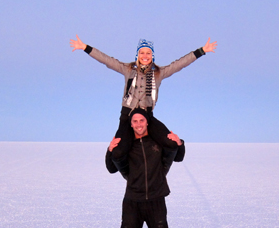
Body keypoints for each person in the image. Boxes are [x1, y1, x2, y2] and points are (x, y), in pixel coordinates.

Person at [70, 35, 215, 173]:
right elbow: (107, 60)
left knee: (171, 142)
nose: (145, 56)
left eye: (148, 53)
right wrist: (85, 47)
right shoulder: (127, 69)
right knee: (118, 152)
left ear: (152, 55)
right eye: (142, 53)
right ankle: (131, 176)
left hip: (147, 116)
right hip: (127, 117)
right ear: (137, 55)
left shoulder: (159, 72)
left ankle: (159, 173)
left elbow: (180, 64)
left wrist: (201, 51)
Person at [105, 108, 185, 228]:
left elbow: (179, 156)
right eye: (135, 121)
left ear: (147, 121)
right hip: (133, 200)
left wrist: (179, 143)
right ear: (130, 124)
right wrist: (109, 151)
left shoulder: (156, 141)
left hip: (156, 199)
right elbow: (110, 168)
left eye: (141, 120)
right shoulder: (127, 144)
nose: (138, 124)